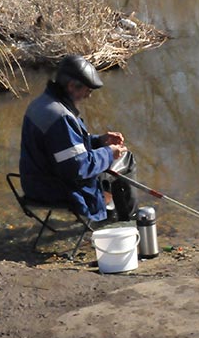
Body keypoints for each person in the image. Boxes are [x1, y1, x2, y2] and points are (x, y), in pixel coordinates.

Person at [20, 54, 137, 225]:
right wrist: (109, 152)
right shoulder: (60, 117)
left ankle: (109, 209)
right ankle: (128, 221)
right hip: (55, 189)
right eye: (87, 91)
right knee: (126, 159)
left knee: (108, 165)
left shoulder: (42, 103)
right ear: (72, 86)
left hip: (35, 184)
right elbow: (78, 167)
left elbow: (61, 148)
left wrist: (99, 141)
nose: (88, 96)